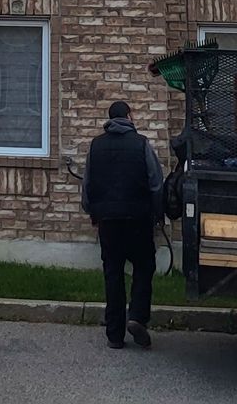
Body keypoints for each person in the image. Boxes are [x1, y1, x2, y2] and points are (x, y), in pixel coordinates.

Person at [81, 99, 164, 349]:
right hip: (138, 219)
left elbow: (87, 187)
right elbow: (156, 182)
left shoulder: (95, 146)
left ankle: (114, 334)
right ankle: (137, 316)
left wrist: (93, 212)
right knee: (144, 266)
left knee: (113, 274)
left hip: (108, 222)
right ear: (129, 116)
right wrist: (158, 214)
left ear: (109, 119)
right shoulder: (141, 144)